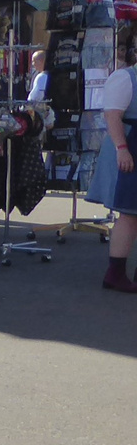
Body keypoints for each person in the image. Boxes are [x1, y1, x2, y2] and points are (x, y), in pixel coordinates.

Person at [85, 58, 137, 292]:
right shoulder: (125, 77)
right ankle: (115, 274)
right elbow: (112, 116)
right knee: (129, 213)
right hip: (130, 148)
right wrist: (122, 149)